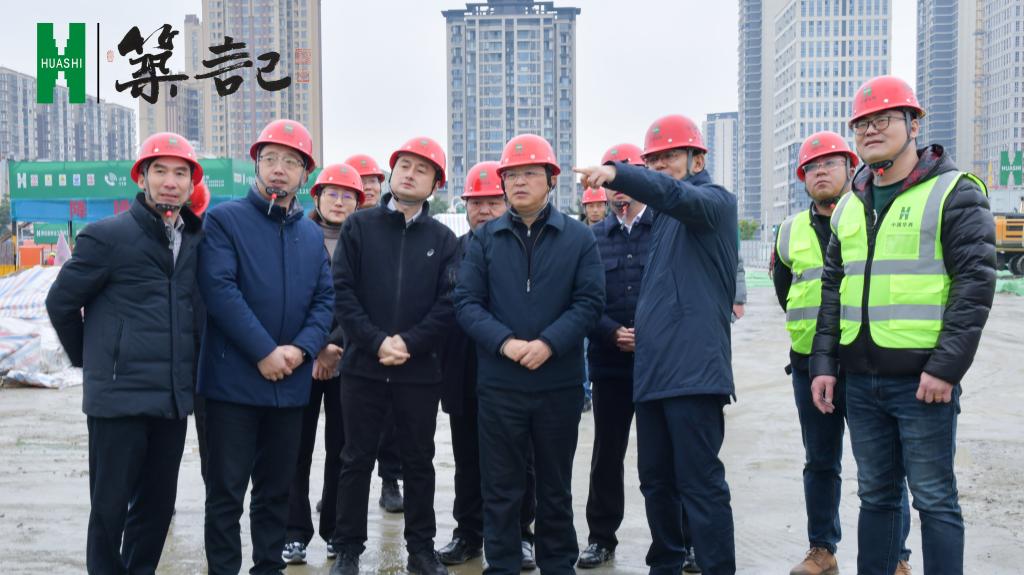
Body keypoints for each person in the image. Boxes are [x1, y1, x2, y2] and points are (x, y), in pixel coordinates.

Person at [810, 76, 996, 575]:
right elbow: (833, 289)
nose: (870, 130)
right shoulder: (851, 203)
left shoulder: (954, 191)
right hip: (860, 381)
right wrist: (824, 363)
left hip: (923, 384)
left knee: (934, 498)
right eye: (862, 124)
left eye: (883, 119)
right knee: (875, 496)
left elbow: (974, 285)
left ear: (914, 125)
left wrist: (946, 368)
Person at [575, 114, 738, 575]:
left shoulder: (713, 204)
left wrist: (619, 173)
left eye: (670, 156)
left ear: (697, 159)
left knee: (699, 484)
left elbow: (675, 195)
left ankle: (714, 566)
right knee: (656, 483)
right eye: (655, 159)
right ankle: (663, 564)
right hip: (651, 374)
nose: (662, 165)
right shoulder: (662, 223)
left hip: (692, 373)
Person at [46, 132, 204, 574]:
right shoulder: (107, 237)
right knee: (109, 510)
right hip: (118, 402)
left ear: (192, 183)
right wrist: (92, 359)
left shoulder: (194, 239)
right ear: (142, 178)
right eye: (160, 171)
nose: (170, 182)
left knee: (156, 509)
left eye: (180, 173)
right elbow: (60, 302)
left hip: (171, 400)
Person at [455, 134, 604, 574]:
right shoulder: (485, 240)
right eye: (512, 175)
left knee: (555, 489)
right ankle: (501, 565)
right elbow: (466, 303)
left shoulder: (578, 238)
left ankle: (558, 564)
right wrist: (506, 342)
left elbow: (590, 302)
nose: (519, 182)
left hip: (558, 385)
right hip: (500, 386)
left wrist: (549, 344)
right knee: (500, 488)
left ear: (551, 180)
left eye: (530, 174)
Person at [198, 119, 334, 575]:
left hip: (288, 386)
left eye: (291, 162)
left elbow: (324, 300)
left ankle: (268, 568)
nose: (279, 168)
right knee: (226, 492)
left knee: (276, 491)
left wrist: (301, 350)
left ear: (305, 174)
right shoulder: (225, 220)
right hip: (232, 385)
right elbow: (220, 291)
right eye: (270, 159)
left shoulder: (311, 235)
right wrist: (263, 351)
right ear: (256, 165)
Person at [775, 131, 913, 575]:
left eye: (830, 163)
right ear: (803, 178)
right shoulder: (789, 231)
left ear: (851, 167)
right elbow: (784, 289)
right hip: (808, 366)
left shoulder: (871, 215)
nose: (820, 172)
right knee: (820, 461)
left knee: (885, 468)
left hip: (864, 364)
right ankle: (822, 548)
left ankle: (896, 556)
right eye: (812, 167)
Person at [330, 137, 458, 575]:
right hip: (363, 368)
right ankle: (347, 549)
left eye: (422, 170)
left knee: (419, 462)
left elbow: (448, 303)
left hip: (418, 372)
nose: (410, 174)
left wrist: (408, 343)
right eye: (404, 165)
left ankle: (421, 549)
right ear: (392, 172)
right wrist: (376, 341)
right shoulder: (359, 227)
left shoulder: (443, 239)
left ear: (435, 184)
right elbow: (343, 292)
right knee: (355, 459)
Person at [437, 161, 539, 570]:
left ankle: (521, 533)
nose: (483, 210)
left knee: (519, 460)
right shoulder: (452, 249)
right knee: (467, 460)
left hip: (511, 372)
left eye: (492, 202)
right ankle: (468, 532)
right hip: (462, 370)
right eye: (475, 203)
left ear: (506, 201)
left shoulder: (524, 246)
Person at [281, 164, 363, 565]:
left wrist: (336, 346)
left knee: (343, 450)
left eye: (348, 196)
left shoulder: (366, 242)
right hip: (301, 359)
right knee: (294, 448)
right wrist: (314, 350)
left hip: (350, 359)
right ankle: (293, 532)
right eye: (332, 193)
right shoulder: (295, 235)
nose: (339, 202)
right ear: (316, 196)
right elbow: (287, 298)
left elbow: (369, 302)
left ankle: (336, 529)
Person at [576, 143, 652, 570]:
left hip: (658, 365)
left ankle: (679, 540)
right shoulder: (591, 240)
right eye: (610, 181)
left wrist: (650, 335)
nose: (618, 189)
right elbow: (582, 299)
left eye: (626, 177)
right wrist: (610, 332)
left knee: (663, 456)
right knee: (606, 454)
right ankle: (601, 537)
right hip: (609, 364)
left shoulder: (664, 230)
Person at [344, 152, 406, 512]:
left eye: (372, 180)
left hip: (392, 342)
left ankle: (389, 480)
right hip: (346, 343)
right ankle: (339, 492)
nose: (366, 186)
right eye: (360, 179)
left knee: (392, 422)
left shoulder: (394, 223)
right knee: (347, 430)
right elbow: (335, 292)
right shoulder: (333, 224)